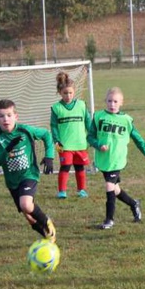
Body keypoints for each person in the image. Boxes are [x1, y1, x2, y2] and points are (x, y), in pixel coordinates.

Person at [0, 99, 56, 242]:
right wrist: (7, 149)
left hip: (29, 174)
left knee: (25, 204)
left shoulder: (25, 130)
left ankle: (46, 222)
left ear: (16, 116)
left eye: (9, 115)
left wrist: (49, 156)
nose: (5, 119)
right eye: (1, 116)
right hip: (12, 181)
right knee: (28, 214)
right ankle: (47, 237)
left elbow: (46, 135)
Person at [87, 87, 145, 230]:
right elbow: (90, 137)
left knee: (109, 186)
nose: (112, 104)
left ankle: (109, 220)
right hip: (104, 160)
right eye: (109, 101)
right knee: (115, 189)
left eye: (115, 101)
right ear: (105, 101)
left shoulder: (126, 120)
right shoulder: (98, 117)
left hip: (117, 160)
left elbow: (137, 138)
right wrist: (98, 145)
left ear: (122, 102)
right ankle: (134, 204)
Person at [50, 71, 92, 199]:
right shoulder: (56, 108)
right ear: (60, 92)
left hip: (80, 143)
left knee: (80, 168)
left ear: (74, 92)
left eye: (70, 93)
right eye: (65, 93)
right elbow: (53, 126)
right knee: (65, 167)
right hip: (64, 145)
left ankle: (81, 190)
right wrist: (56, 141)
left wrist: (91, 137)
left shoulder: (81, 105)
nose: (68, 96)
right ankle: (62, 191)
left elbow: (88, 122)